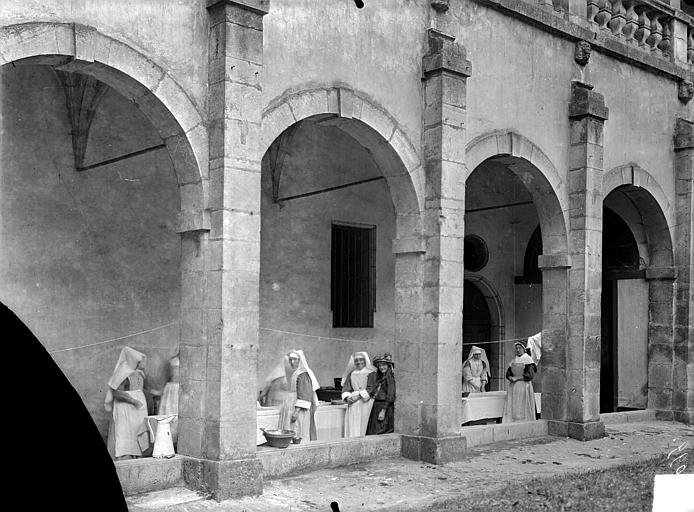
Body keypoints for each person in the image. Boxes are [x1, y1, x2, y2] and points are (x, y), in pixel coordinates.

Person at [105, 346, 150, 460]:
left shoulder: (138, 373)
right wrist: (133, 401)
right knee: (125, 434)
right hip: (125, 410)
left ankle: (135, 456)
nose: (140, 363)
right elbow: (117, 393)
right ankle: (125, 457)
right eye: (138, 361)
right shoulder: (123, 372)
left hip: (137, 411)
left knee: (136, 433)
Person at [277, 349, 320, 443]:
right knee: (291, 429)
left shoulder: (303, 374)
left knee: (298, 429)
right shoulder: (296, 372)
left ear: (300, 360)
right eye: (290, 359)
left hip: (298, 408)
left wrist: (296, 412)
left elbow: (305, 394)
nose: (292, 362)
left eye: (295, 359)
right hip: (291, 404)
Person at [341, 351, 376, 437]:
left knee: (364, 422)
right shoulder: (352, 373)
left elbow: (371, 388)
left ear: (365, 361)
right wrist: (348, 398)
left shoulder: (371, 373)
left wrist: (358, 396)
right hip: (353, 402)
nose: (358, 362)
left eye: (361, 360)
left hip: (366, 402)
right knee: (353, 423)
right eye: (356, 360)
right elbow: (346, 387)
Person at [502, 340, 537, 423]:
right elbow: (508, 372)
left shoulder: (528, 360)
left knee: (522, 405)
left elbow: (530, 375)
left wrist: (517, 378)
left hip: (523, 385)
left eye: (520, 348)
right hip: (513, 387)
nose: (518, 350)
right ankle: (512, 421)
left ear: (524, 349)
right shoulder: (514, 360)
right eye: (516, 348)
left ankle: (523, 422)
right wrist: (510, 377)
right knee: (514, 405)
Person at [366, 353, 396, 435]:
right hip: (376, 406)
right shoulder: (380, 379)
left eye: (384, 365)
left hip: (383, 407)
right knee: (372, 431)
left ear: (389, 366)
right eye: (380, 366)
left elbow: (390, 396)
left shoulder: (390, 379)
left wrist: (383, 411)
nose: (381, 367)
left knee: (379, 431)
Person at [157, 353, 180, 446]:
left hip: (179, 387)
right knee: (169, 413)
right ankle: (168, 441)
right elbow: (168, 376)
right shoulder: (172, 360)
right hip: (172, 389)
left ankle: (177, 441)